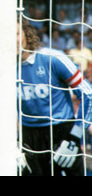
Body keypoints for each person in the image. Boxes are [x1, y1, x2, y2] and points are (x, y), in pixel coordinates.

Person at [17, 18, 92, 176]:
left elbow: (88, 94)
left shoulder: (52, 58)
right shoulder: (1, 69)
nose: (12, 40)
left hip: (62, 131)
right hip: (29, 135)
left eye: (16, 33)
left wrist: (74, 137)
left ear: (27, 34)